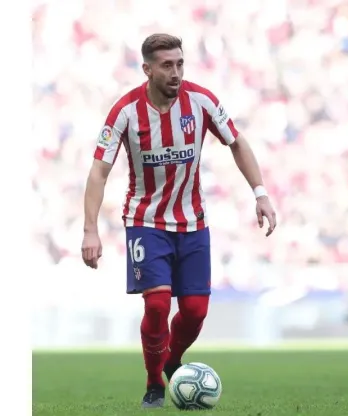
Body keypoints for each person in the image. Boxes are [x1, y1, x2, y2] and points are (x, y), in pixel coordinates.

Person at [80, 33, 277, 408]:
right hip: (146, 222)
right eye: (167, 65)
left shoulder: (201, 101)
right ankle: (154, 382)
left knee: (195, 312)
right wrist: (90, 230)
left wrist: (260, 193)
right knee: (156, 305)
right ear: (148, 69)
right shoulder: (125, 111)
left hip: (193, 223)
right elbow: (98, 172)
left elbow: (237, 142)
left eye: (180, 63)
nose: (176, 72)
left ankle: (172, 362)